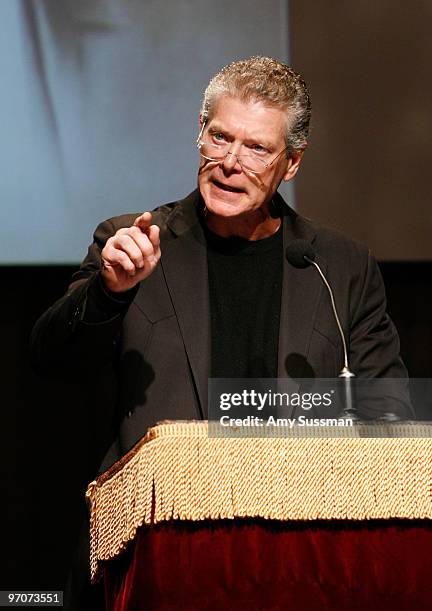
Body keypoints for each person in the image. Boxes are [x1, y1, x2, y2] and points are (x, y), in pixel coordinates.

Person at [31, 56, 410, 465]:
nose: (230, 163)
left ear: (292, 163)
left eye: (256, 148)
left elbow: (387, 417)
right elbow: (53, 362)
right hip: (167, 513)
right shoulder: (133, 244)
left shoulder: (339, 266)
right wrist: (108, 292)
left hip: (303, 513)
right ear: (200, 131)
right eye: (220, 138)